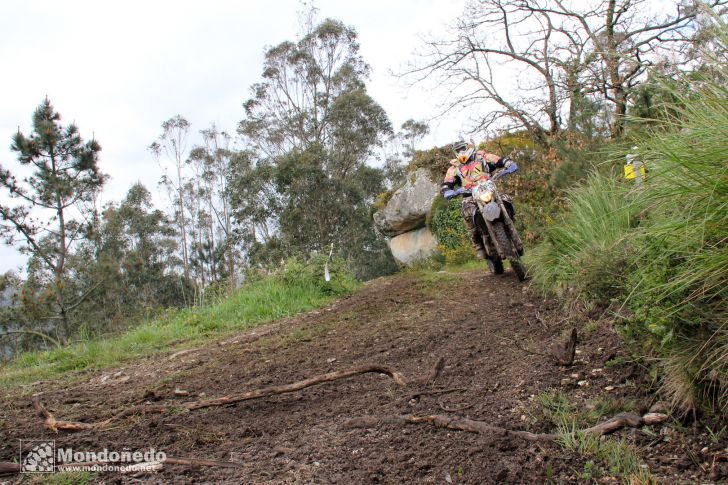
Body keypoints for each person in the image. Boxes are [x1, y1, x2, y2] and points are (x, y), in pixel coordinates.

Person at [440, 139, 518, 259]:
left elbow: (498, 160)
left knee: (506, 199)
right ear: (454, 152)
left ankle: (512, 220)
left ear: (468, 147)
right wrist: (447, 190)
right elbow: (447, 182)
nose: (461, 152)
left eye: (463, 148)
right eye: (458, 150)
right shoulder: (454, 167)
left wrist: (508, 163)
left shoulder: (482, 156)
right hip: (469, 195)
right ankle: (478, 245)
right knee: (467, 213)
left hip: (490, 189)